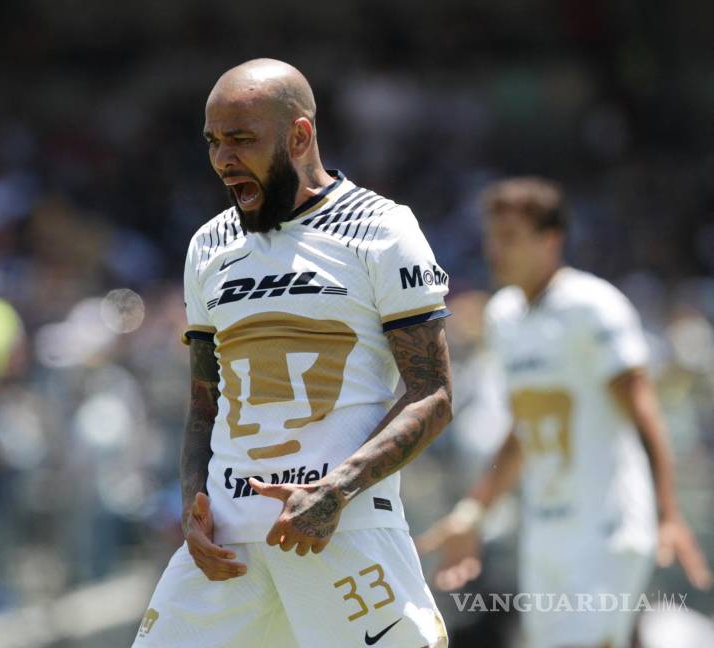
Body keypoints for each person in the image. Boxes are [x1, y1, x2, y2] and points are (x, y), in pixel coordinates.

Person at [133, 58, 453, 647]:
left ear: (300, 135)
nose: (223, 159)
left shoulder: (381, 229)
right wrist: (191, 509)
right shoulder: (208, 245)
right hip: (227, 547)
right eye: (213, 142)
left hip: (344, 532)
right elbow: (204, 402)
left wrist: (335, 492)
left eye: (241, 139)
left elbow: (433, 395)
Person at [417, 177, 712, 648]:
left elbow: (644, 412)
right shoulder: (504, 317)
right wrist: (474, 512)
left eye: (510, 237)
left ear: (550, 239)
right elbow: (523, 429)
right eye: (492, 237)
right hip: (546, 531)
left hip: (607, 528)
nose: (494, 250)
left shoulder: (593, 307)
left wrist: (669, 513)